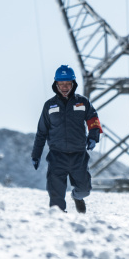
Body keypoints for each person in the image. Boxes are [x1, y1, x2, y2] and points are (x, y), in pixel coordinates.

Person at [31, 65, 102, 213]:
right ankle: (59, 222)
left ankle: (77, 197)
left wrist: (93, 137)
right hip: (57, 156)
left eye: (68, 84)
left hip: (78, 155)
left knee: (84, 190)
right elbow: (41, 132)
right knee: (56, 199)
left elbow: (93, 119)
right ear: (56, 84)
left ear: (73, 84)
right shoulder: (49, 106)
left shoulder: (82, 102)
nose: (64, 87)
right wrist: (36, 154)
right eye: (61, 84)